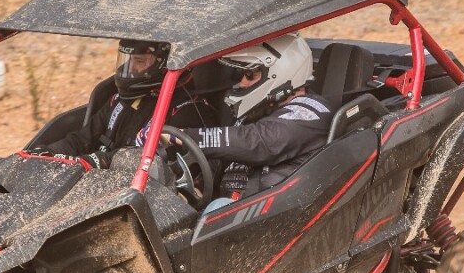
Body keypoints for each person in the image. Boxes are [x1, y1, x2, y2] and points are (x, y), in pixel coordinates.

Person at [168, 33, 331, 210]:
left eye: (251, 74)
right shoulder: (254, 114)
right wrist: (194, 192)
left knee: (219, 206)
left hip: (277, 216)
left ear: (282, 72)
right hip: (232, 215)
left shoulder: (312, 109)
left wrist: (185, 135)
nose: (243, 83)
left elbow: (261, 141)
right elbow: (219, 161)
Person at [38, 39, 216, 163]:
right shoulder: (121, 99)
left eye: (139, 61)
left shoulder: (188, 111)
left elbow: (154, 162)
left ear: (164, 63)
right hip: (93, 177)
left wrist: (96, 161)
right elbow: (82, 139)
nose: (130, 68)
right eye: (129, 59)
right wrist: (50, 152)